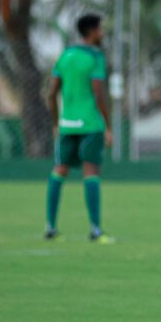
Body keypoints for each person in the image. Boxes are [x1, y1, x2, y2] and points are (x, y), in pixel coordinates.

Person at [44, 13, 114, 243]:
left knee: (59, 169)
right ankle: (95, 230)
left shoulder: (65, 55)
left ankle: (51, 227)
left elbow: (51, 93)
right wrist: (108, 125)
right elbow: (98, 92)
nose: (102, 34)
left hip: (67, 124)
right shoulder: (95, 56)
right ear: (92, 32)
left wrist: (56, 121)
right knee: (91, 172)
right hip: (91, 123)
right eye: (100, 30)